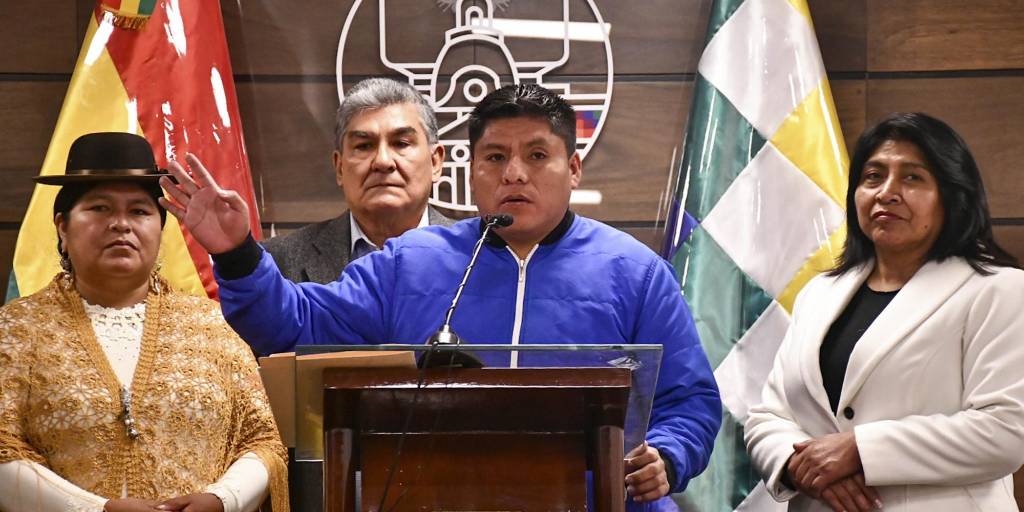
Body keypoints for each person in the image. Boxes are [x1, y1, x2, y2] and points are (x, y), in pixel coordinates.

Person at [160, 84, 722, 508]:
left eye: (537, 155)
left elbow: (690, 401)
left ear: (572, 169)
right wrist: (237, 253)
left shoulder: (636, 271)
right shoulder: (413, 260)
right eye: (495, 157)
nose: (514, 174)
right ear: (471, 173)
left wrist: (667, 456)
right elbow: (293, 324)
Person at [744, 112, 1024, 512]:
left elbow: (1005, 431)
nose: (887, 192)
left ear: (952, 195)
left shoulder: (999, 289)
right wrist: (798, 465)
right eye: (873, 177)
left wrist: (859, 450)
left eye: (912, 178)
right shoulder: (819, 293)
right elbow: (768, 416)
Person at [0, 132, 288, 512]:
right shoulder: (16, 330)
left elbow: (262, 442)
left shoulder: (212, 327)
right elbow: (3, 447)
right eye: (100, 208)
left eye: (139, 211)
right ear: (62, 227)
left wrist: (222, 500)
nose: (121, 224)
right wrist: (96, 509)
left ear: (160, 228)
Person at [262, 77, 454, 283]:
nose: (383, 161)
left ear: (435, 162)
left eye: (401, 143)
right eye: (364, 146)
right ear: (339, 167)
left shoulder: (476, 254)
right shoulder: (275, 263)